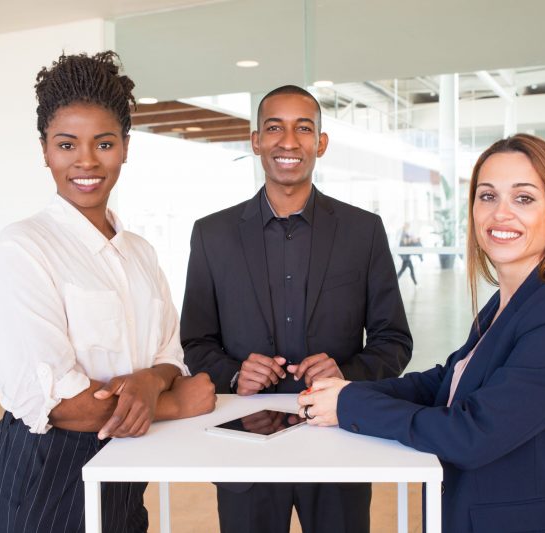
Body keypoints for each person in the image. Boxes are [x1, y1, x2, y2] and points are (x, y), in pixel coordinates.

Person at [298, 133, 545, 533]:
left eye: (524, 198)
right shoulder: (506, 303)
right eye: (487, 196)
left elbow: (473, 433)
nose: (500, 213)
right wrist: (345, 391)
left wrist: (349, 406)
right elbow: (444, 384)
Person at [0, 51, 216, 533]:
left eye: (103, 143)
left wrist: (149, 379)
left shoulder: (141, 252)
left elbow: (171, 354)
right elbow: (59, 404)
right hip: (39, 481)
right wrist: (170, 403)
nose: (86, 161)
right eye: (66, 145)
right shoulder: (24, 247)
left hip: (124, 475)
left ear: (125, 147)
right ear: (45, 150)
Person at [180, 85, 413, 533]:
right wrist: (232, 373)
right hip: (244, 444)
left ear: (320, 143)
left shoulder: (363, 231)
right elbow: (195, 340)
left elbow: (394, 341)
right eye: (274, 128)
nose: (289, 141)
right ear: (255, 141)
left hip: (337, 443)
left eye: (303, 128)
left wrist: (347, 373)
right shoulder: (212, 235)